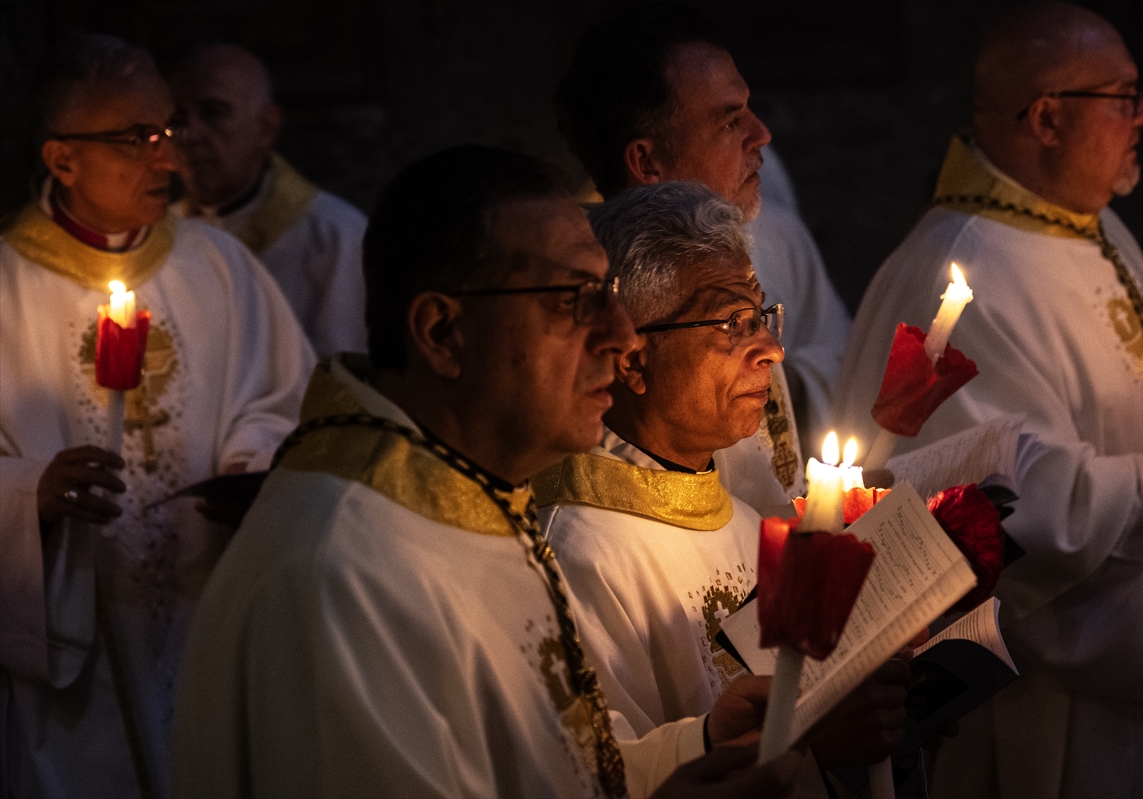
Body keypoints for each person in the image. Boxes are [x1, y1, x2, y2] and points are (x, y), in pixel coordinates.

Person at [171, 146, 827, 798]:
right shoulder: (342, 567)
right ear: (442, 332)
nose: (623, 336)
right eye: (576, 298)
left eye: (610, 293)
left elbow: (548, 765)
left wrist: (697, 746)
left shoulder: (472, 500)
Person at [833, 3, 1143, 797]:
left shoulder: (1087, 226)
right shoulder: (965, 273)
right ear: (1047, 118)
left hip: (1138, 673)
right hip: (1044, 709)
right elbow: (996, 508)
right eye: (1125, 94)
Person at [0, 34, 314, 798]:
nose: (169, 157)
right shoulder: (3, 289)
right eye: (136, 138)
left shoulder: (221, 267)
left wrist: (253, 462)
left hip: (210, 612)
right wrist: (27, 495)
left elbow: (284, 399)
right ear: (62, 158)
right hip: (73, 676)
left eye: (167, 129)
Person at [536, 180, 911, 782]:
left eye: (763, 315)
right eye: (734, 323)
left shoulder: (743, 521)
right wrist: (807, 745)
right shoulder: (580, 553)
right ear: (632, 359)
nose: (772, 351)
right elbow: (595, 776)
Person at [555, 2, 851, 507]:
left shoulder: (762, 241)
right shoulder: (592, 310)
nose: (762, 135)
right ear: (647, 161)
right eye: (729, 122)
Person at [170, 42, 368, 358]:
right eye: (178, 119)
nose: (189, 135)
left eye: (213, 113)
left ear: (266, 127)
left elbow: (345, 381)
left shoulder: (336, 237)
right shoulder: (158, 233)